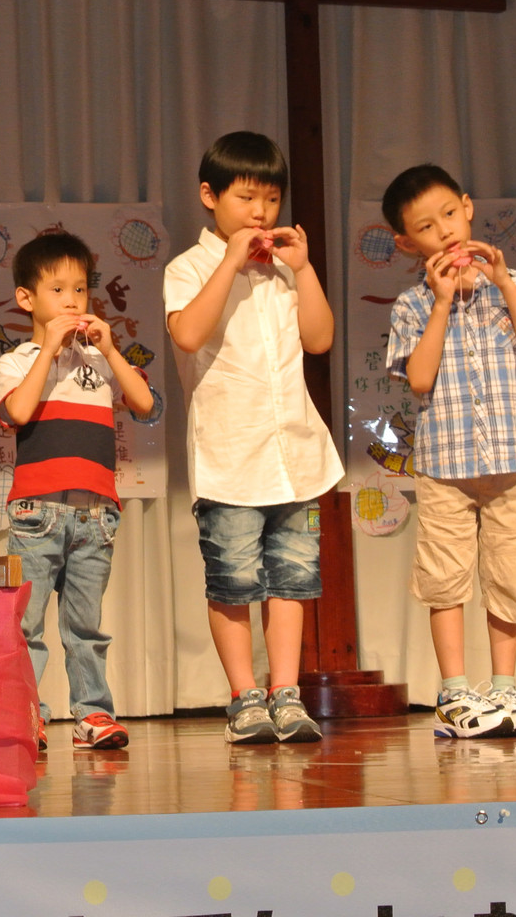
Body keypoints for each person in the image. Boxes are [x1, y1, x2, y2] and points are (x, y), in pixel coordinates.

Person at [164, 131, 342, 744]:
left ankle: (286, 693)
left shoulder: (285, 271)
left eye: (271, 199)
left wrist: (304, 268)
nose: (261, 212)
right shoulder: (188, 267)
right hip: (229, 456)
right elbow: (188, 334)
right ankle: (244, 697)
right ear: (209, 196)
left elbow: (320, 339)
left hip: (294, 451)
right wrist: (230, 263)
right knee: (234, 581)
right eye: (246, 198)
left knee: (292, 579)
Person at [383, 163, 516, 739]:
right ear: (406, 243)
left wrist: (506, 284)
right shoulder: (412, 304)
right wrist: (441, 303)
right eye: (425, 226)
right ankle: (454, 691)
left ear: (467, 208)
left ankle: (505, 688)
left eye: (448, 214)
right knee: (445, 577)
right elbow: (419, 379)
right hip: (445, 466)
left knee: (510, 573)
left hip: (510, 462)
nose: (443, 230)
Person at [0, 232, 154, 750]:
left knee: (86, 626)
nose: (71, 301)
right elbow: (19, 412)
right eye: (58, 289)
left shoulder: (99, 360)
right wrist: (49, 349)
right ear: (26, 298)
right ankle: (26, 715)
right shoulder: (17, 361)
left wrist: (108, 348)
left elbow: (144, 403)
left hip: (96, 514)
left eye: (80, 289)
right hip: (36, 513)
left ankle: (93, 713)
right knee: (27, 625)